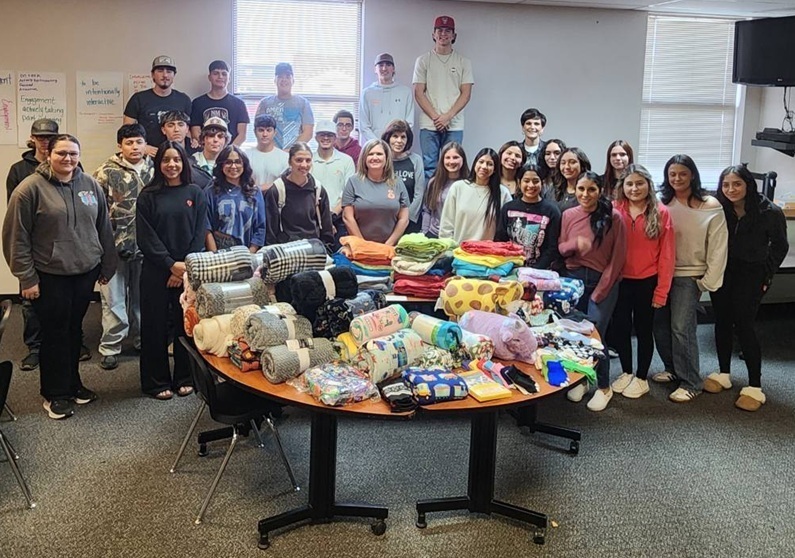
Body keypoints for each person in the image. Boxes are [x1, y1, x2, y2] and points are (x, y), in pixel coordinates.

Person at [2, 134, 116, 420]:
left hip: (84, 271)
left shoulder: (89, 184)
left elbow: (103, 226)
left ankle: (73, 384)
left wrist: (107, 265)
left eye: (73, 154)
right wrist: (26, 278)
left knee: (73, 331)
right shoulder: (29, 189)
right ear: (48, 154)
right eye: (62, 153)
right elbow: (16, 237)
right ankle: (54, 394)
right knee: (55, 334)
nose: (68, 159)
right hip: (49, 274)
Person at [708, 165, 788, 411]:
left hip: (753, 274)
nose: (731, 189)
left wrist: (767, 274)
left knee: (744, 325)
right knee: (721, 321)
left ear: (747, 185)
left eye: (737, 184)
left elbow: (780, 246)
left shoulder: (769, 211)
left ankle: (755, 385)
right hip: (724, 271)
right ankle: (723, 373)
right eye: (726, 184)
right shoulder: (719, 208)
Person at [651, 154, 728, 403]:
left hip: (690, 275)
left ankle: (692, 381)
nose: (677, 178)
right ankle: (674, 369)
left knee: (681, 328)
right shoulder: (662, 203)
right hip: (662, 273)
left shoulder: (710, 205)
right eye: (672, 174)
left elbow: (718, 247)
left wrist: (707, 282)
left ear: (692, 175)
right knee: (660, 326)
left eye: (682, 173)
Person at [136, 142, 207, 400]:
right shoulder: (148, 195)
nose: (171, 164)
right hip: (156, 271)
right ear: (159, 164)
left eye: (176, 159)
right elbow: (146, 237)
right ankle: (155, 381)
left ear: (183, 162)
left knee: (185, 325)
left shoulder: (195, 193)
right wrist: (169, 264)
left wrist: (181, 268)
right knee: (154, 326)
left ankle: (186, 377)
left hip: (187, 271)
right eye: (166, 160)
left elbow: (200, 233)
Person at [558, 171, 626, 412]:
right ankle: (583, 378)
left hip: (602, 282)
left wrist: (600, 292)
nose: (585, 194)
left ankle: (604, 387)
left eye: (591, 189)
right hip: (573, 281)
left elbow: (617, 261)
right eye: (581, 189)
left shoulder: (614, 217)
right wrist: (576, 244)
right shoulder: (568, 214)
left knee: (595, 335)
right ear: (575, 190)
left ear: (600, 191)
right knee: (574, 333)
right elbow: (562, 249)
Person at [93, 124, 155, 371]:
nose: (135, 147)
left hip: (147, 247)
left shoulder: (155, 169)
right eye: (129, 143)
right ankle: (110, 347)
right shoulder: (105, 172)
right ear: (120, 145)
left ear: (145, 143)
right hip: (114, 247)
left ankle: (142, 340)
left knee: (142, 298)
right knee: (113, 299)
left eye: (139, 142)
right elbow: (96, 211)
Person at [610, 164, 675, 400]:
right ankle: (626, 371)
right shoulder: (614, 209)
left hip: (648, 281)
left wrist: (662, 291)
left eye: (639, 183)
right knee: (621, 329)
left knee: (645, 330)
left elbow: (667, 255)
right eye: (629, 184)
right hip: (620, 281)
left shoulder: (661, 211)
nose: (634, 188)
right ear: (622, 186)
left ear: (648, 185)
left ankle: (641, 377)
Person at [5, 118, 59, 371]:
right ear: (33, 138)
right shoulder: (18, 170)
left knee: (64, 301)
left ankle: (73, 342)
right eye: (41, 137)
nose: (45, 142)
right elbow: (15, 215)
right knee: (30, 300)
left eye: (50, 137)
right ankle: (35, 348)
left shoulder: (69, 163)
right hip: (32, 246)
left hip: (61, 247)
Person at [413, 15, 474, 180]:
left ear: (454, 36)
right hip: (429, 124)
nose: (443, 34)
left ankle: (450, 205)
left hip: (454, 125)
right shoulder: (423, 61)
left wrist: (448, 117)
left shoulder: (463, 62)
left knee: (453, 167)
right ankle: (429, 206)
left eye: (448, 31)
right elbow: (418, 92)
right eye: (440, 30)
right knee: (429, 167)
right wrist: (436, 118)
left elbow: (466, 94)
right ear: (433, 34)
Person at [265, 142, 334, 248]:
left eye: (308, 160)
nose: (304, 165)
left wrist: (326, 250)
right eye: (299, 160)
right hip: (286, 250)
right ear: (289, 162)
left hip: (313, 249)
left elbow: (327, 228)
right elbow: (270, 231)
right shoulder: (277, 190)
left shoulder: (318, 189)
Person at [342, 139, 409, 245]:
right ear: (364, 158)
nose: (375, 157)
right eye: (370, 154)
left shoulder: (397, 182)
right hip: (359, 246)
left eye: (379, 154)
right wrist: (364, 245)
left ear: (386, 158)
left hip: (389, 247)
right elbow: (347, 217)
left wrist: (388, 245)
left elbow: (404, 219)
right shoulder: (353, 182)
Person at [123, 55, 192, 156]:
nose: (165, 75)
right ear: (153, 74)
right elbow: (126, 131)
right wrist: (143, 147)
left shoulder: (184, 99)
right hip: (148, 157)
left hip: (176, 157)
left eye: (169, 71)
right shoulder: (138, 99)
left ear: (174, 75)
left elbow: (189, 131)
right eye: (160, 71)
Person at [439, 147, 511, 243]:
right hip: (459, 252)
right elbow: (446, 224)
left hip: (487, 254)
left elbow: (508, 227)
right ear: (475, 164)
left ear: (495, 169)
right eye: (481, 162)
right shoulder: (458, 187)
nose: (484, 166)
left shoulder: (503, 193)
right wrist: (448, 250)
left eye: (490, 164)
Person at [495, 164, 561, 269]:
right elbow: (500, 239)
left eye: (535, 181)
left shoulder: (552, 211)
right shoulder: (508, 208)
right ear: (519, 182)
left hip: (540, 271)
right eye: (526, 181)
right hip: (509, 268)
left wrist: (534, 270)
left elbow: (552, 248)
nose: (531, 185)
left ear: (542, 183)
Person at [205, 146, 266, 252]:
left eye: (238, 162)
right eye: (228, 162)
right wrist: (215, 256)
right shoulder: (211, 192)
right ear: (221, 165)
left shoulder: (255, 192)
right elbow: (206, 227)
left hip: (247, 254)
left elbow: (260, 228)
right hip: (219, 255)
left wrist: (250, 255)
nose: (233, 166)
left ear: (244, 164)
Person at [311, 120, 355, 241]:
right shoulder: (308, 161)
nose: (325, 138)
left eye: (329, 135)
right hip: (312, 219)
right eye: (322, 134)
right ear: (316, 137)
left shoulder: (346, 161)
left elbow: (348, 193)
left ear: (335, 138)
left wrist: (330, 217)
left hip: (339, 219)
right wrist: (323, 220)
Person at [254, 62, 314, 150]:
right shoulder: (265, 103)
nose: (284, 80)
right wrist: (274, 151)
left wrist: (291, 150)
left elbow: (308, 132)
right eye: (280, 77)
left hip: (295, 154)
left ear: (293, 80)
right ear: (275, 80)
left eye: (287, 76)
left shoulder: (303, 103)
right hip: (270, 153)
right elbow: (258, 129)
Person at [190, 60, 249, 146]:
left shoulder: (239, 104)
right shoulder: (197, 103)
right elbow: (195, 131)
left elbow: (242, 135)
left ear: (229, 78)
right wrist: (208, 149)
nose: (220, 77)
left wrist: (229, 152)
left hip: (230, 155)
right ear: (209, 77)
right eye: (216, 73)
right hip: (205, 153)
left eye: (224, 74)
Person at [359, 53, 415, 143]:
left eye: (388, 65)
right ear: (375, 69)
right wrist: (377, 144)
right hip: (375, 147)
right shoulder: (367, 93)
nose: (384, 68)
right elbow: (364, 125)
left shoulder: (405, 92)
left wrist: (397, 141)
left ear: (393, 69)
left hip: (398, 146)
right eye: (381, 65)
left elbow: (409, 123)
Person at [382, 120, 425, 234]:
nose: (399, 141)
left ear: (408, 140)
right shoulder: (382, 160)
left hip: (410, 220)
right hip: (385, 220)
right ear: (388, 138)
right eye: (395, 136)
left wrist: (406, 218)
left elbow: (419, 193)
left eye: (403, 137)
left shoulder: (416, 160)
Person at [421, 142, 469, 238]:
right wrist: (424, 233)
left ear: (463, 159)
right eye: (447, 158)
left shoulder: (469, 184)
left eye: (455, 157)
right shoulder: (434, 182)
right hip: (434, 234)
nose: (451, 162)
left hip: (458, 237)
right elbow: (427, 210)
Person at [247, 114, 289, 191]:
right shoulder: (246, 156)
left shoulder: (285, 158)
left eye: (269, 130)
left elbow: (285, 184)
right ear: (254, 132)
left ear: (275, 132)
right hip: (251, 199)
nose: (265, 134)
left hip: (276, 201)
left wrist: (260, 188)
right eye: (261, 130)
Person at [554, 147, 591, 212]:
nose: (567, 167)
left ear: (582, 166)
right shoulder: (552, 191)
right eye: (563, 163)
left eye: (572, 162)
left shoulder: (589, 192)